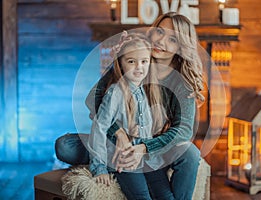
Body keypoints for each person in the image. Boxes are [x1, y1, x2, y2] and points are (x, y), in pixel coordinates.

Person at [55, 12, 204, 200]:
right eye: (160, 32)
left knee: (190, 152)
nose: (161, 41)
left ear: (181, 47)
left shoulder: (181, 82)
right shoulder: (134, 56)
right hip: (120, 140)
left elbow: (183, 131)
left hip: (154, 146)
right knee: (64, 145)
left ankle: (124, 160)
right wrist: (119, 135)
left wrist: (142, 148)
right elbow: (93, 100)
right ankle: (113, 159)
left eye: (172, 39)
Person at [86, 31, 166, 186]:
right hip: (122, 161)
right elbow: (99, 127)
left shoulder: (144, 92)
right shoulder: (115, 92)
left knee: (165, 193)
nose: (139, 67)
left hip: (142, 160)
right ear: (121, 64)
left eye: (144, 61)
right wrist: (99, 167)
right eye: (131, 61)